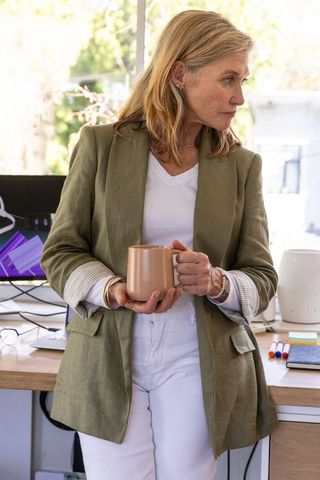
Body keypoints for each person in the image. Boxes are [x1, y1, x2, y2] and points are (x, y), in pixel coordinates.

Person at [41, 9, 278, 480]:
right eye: (228, 79)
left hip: (198, 359)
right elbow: (61, 252)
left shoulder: (240, 166)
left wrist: (215, 281)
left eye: (243, 80)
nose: (239, 97)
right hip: (108, 358)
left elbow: (261, 276)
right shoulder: (100, 146)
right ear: (178, 73)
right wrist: (111, 289)